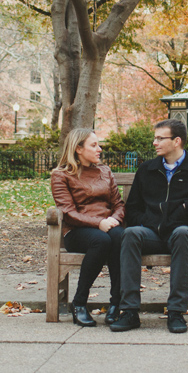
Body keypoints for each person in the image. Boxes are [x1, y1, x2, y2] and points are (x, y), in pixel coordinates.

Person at [110, 119, 188, 334]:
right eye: (154, 138)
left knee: (183, 232)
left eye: (159, 138)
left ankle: (176, 312)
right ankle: (128, 311)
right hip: (151, 234)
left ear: (176, 141)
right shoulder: (147, 170)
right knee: (130, 234)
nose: (154, 142)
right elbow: (133, 208)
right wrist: (149, 221)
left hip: (179, 236)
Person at [50, 128, 125, 327]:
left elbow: (118, 204)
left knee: (120, 237)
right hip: (77, 231)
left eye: (98, 144)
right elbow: (68, 212)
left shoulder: (104, 171)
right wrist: (98, 223)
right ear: (78, 149)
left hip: (108, 225)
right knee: (101, 240)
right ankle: (79, 303)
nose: (99, 149)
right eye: (94, 145)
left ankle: (117, 304)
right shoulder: (61, 175)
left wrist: (114, 219)